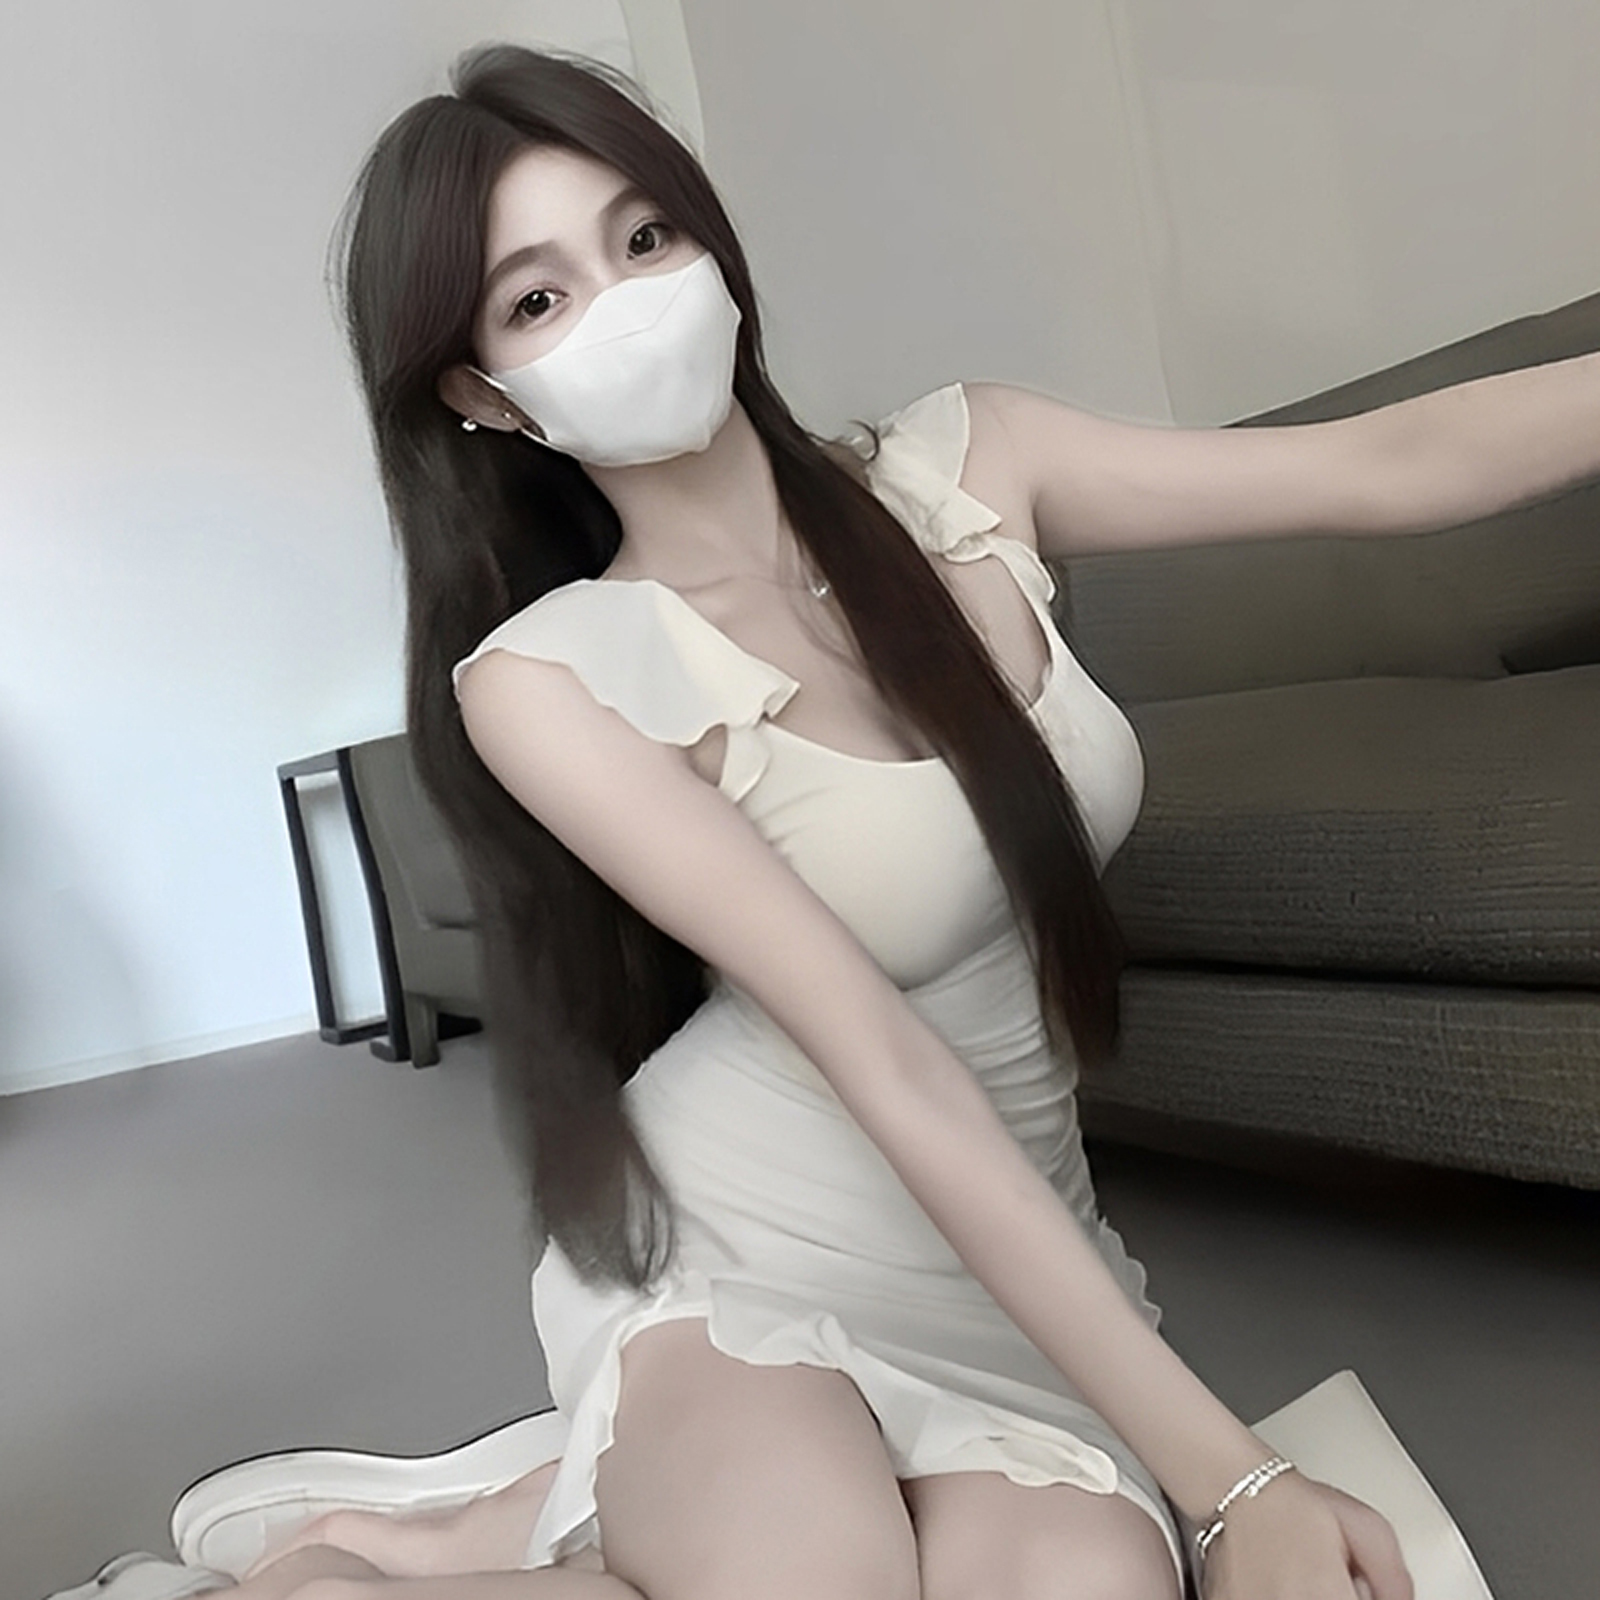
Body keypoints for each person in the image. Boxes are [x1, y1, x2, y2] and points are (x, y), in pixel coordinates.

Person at [150, 41, 1600, 1600]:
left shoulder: (973, 465)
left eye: (646, 236)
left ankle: (484, 1533)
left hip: (1012, 1242)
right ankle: (447, 1536)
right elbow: (886, 1062)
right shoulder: (553, 679)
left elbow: (1392, 463)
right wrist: (1236, 1480)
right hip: (746, 1246)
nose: (627, 303)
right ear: (483, 392)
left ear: (711, 243)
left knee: (1093, 1588)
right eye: (542, 297)